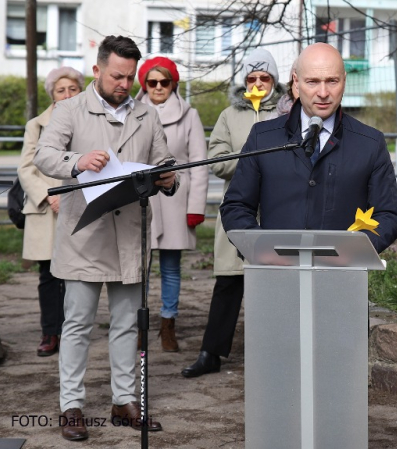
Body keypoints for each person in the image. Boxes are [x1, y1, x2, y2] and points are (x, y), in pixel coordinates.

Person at [33, 35, 176, 441]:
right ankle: (71, 405)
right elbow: (44, 154)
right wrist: (76, 162)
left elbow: (165, 163)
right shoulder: (69, 109)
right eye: (117, 75)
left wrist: (168, 177)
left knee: (127, 323)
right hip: (84, 234)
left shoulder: (148, 116)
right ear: (97, 70)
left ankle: (124, 399)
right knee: (77, 323)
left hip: (130, 234)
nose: (124, 84)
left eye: (131, 77)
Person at [219, 41, 397, 255]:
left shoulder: (370, 143)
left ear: (344, 80)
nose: (323, 92)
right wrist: (262, 250)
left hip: (343, 276)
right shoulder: (263, 138)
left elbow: (389, 215)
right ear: (296, 82)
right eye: (313, 82)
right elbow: (235, 207)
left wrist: (354, 252)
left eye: (332, 81)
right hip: (275, 274)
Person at [181, 48, 286, 378]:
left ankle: (274, 353)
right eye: (251, 78)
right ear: (243, 82)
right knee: (228, 282)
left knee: (273, 285)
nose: (257, 84)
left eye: (264, 78)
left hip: (277, 210)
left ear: (274, 81)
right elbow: (216, 158)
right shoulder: (229, 115)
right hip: (237, 207)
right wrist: (250, 160)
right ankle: (211, 352)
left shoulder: (288, 112)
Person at [136, 56, 208, 352]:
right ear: (144, 84)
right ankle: (139, 326)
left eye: (164, 82)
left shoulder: (189, 114)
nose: (158, 87)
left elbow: (200, 163)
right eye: (151, 82)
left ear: (173, 83)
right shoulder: (133, 112)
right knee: (139, 268)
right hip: (140, 197)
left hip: (176, 197)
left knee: (170, 267)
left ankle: (168, 325)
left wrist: (196, 207)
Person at [17, 66, 84, 357]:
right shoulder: (36, 124)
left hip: (78, 207)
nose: (67, 95)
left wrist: (69, 196)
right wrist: (50, 196)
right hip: (46, 210)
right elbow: (26, 168)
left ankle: (72, 331)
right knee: (48, 275)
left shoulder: (88, 123)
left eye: (73, 89)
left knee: (76, 274)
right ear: (52, 94)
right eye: (61, 90)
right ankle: (50, 332)